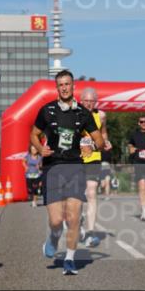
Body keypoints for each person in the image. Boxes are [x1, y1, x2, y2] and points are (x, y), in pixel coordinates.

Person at [30, 70, 106, 276]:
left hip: (75, 168)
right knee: (56, 221)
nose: (64, 87)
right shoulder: (46, 110)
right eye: (61, 84)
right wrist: (40, 147)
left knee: (73, 218)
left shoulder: (83, 113)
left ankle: (70, 259)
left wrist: (92, 147)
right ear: (57, 87)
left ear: (73, 87)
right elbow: (34, 134)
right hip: (52, 167)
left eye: (67, 84)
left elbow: (99, 141)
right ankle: (54, 236)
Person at [78, 87, 111, 246]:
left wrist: (106, 142)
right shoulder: (73, 114)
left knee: (91, 193)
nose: (89, 104)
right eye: (86, 101)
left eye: (92, 101)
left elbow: (103, 133)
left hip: (93, 157)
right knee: (75, 196)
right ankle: (78, 221)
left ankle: (90, 233)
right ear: (81, 100)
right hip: (76, 159)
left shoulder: (101, 115)